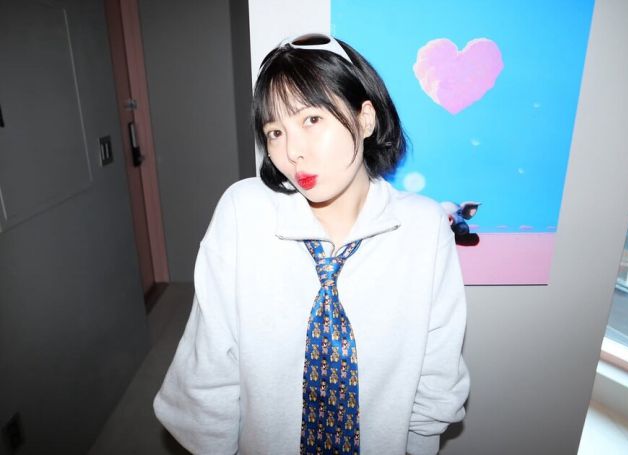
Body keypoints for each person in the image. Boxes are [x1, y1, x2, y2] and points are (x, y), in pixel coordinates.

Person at [154, 33, 469, 455]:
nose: (293, 151)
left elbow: (436, 375)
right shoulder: (244, 212)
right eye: (275, 132)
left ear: (365, 119)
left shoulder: (423, 228)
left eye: (311, 120)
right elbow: (209, 370)